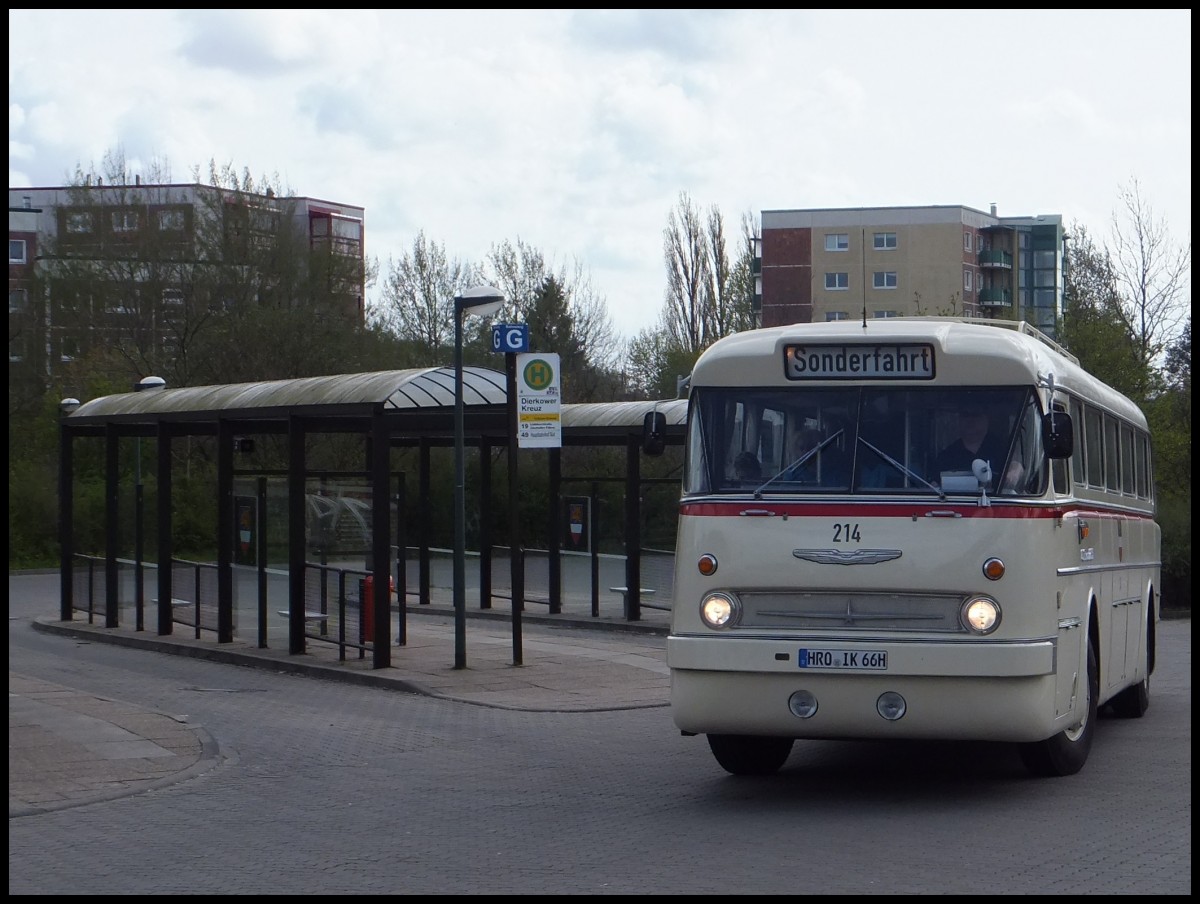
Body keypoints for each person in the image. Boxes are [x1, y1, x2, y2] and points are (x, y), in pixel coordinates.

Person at [935, 402, 1024, 490]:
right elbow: (934, 486)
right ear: (959, 420)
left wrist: (1016, 470)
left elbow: (1018, 470)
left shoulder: (1005, 450)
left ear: (986, 419)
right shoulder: (946, 456)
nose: (970, 419)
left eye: (976, 414)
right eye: (965, 415)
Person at [782, 427, 850, 486]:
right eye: (801, 448)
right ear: (796, 450)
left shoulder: (836, 473)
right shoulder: (792, 474)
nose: (806, 451)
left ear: (821, 449)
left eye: (811, 447)